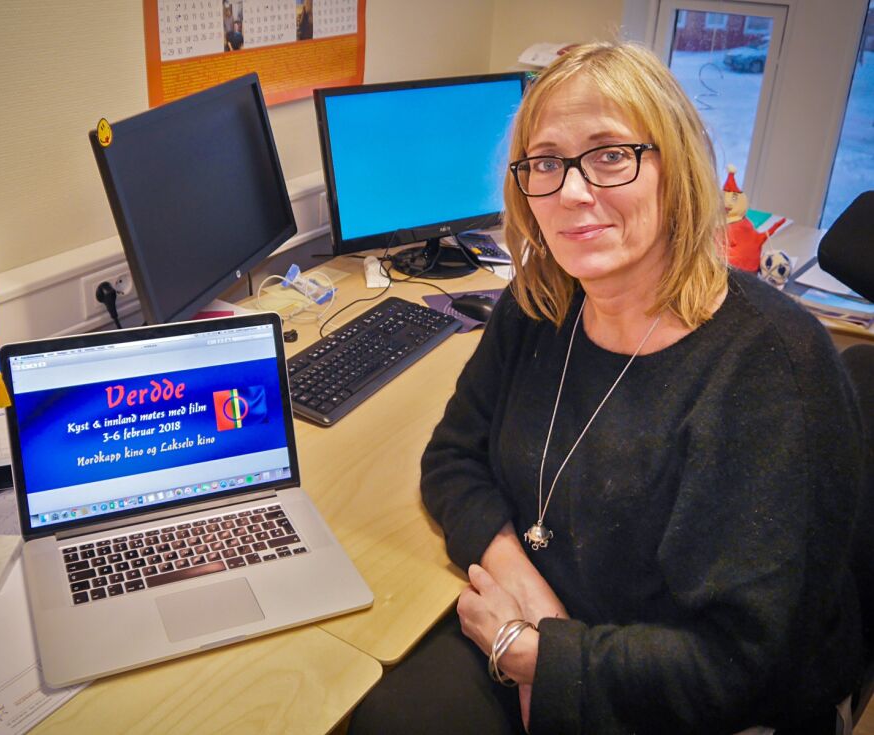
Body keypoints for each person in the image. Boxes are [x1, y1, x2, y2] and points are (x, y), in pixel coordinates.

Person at [349, 41, 868, 734]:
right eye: (544, 162)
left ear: (673, 168)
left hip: (703, 698)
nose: (569, 190)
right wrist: (535, 606)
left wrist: (543, 660)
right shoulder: (538, 304)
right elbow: (451, 459)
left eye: (609, 154)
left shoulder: (771, 370)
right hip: (548, 619)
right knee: (390, 715)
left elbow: (742, 662)